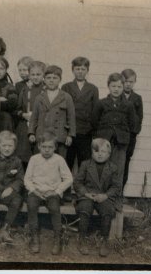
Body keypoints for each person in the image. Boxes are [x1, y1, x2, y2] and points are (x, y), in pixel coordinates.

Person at [24, 131, 73, 255]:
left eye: (50, 147)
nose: (47, 150)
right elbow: (27, 179)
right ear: (39, 146)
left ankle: (57, 238)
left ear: (55, 147)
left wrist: (57, 191)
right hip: (36, 191)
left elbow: (69, 178)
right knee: (31, 205)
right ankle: (34, 237)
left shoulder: (59, 160)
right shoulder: (34, 159)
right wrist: (34, 190)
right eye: (44, 147)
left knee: (54, 207)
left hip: (52, 192)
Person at [74, 138, 122, 257]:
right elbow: (77, 183)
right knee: (85, 208)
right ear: (91, 152)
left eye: (103, 152)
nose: (100, 154)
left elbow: (116, 186)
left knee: (107, 211)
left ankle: (104, 240)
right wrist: (86, 193)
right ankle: (82, 239)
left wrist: (105, 195)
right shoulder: (85, 164)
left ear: (109, 154)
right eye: (96, 151)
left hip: (104, 196)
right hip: (88, 195)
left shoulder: (113, 167)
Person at [61, 56, 99, 201]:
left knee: (84, 163)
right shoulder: (66, 87)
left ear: (87, 71)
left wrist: (93, 131)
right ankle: (65, 192)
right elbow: (63, 109)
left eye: (83, 69)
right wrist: (66, 129)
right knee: (67, 161)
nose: (80, 72)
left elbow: (95, 111)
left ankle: (83, 193)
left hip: (85, 131)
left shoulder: (93, 89)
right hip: (69, 131)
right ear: (72, 70)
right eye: (77, 69)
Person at [92, 73, 135, 185]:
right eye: (113, 86)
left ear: (123, 87)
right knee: (102, 168)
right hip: (104, 141)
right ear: (108, 86)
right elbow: (94, 122)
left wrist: (123, 135)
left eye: (119, 87)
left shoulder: (128, 105)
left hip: (121, 143)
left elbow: (133, 124)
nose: (116, 89)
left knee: (118, 168)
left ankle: (115, 197)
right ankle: (100, 196)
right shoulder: (101, 103)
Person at [28, 65, 76, 159]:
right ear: (44, 79)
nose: (51, 80)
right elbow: (34, 117)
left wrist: (70, 135)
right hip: (42, 136)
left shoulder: (66, 97)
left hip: (59, 137)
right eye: (48, 78)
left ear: (60, 79)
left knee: (58, 164)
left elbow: (71, 118)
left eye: (55, 78)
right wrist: (31, 133)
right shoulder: (39, 97)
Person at [15, 61, 46, 170]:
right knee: (24, 152)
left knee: (40, 152)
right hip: (25, 125)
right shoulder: (25, 89)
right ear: (29, 75)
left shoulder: (47, 90)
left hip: (42, 125)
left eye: (38, 74)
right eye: (33, 74)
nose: (35, 77)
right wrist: (23, 114)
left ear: (43, 75)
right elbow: (17, 109)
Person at [121, 69, 143, 189]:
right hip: (117, 136)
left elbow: (139, 118)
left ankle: (120, 191)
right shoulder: (116, 95)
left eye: (131, 81)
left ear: (134, 82)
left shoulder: (137, 98)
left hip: (130, 137)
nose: (128, 84)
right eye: (125, 81)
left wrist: (133, 132)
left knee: (125, 162)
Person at [0, 56, 18, 135]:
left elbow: (12, 104)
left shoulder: (10, 86)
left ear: (6, 70)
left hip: (5, 121)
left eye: (1, 68)